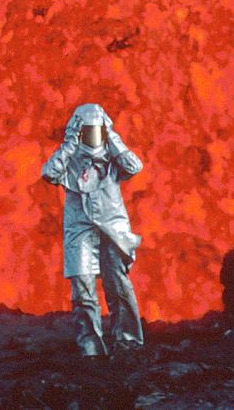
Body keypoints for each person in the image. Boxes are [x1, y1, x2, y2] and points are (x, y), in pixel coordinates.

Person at [41, 102, 144, 357]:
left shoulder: (112, 156)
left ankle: (128, 343)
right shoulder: (70, 158)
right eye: (87, 130)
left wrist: (113, 138)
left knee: (117, 285)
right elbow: (49, 173)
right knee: (82, 287)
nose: (92, 136)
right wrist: (70, 145)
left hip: (112, 225)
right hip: (80, 227)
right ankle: (91, 350)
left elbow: (134, 166)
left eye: (96, 130)